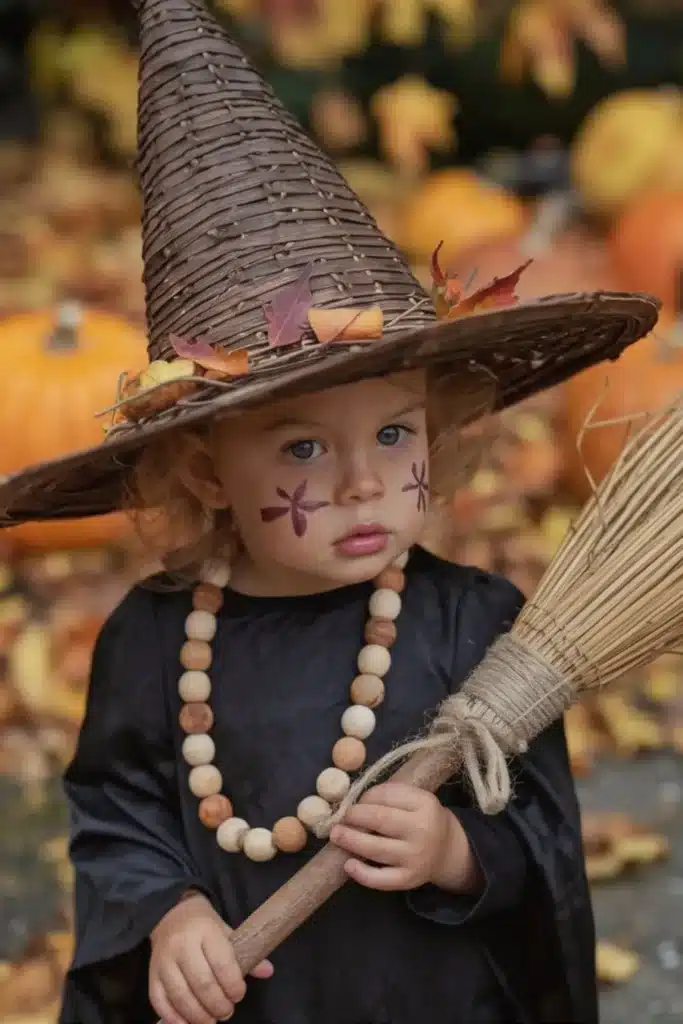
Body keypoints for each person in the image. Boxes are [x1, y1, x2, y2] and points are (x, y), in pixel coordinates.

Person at [0, 2, 657, 1023]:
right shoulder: (152, 640)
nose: (359, 479)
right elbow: (117, 819)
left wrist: (454, 852)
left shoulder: (473, 626)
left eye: (394, 434)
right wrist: (168, 917)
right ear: (207, 471)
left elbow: (541, 845)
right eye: (303, 447)